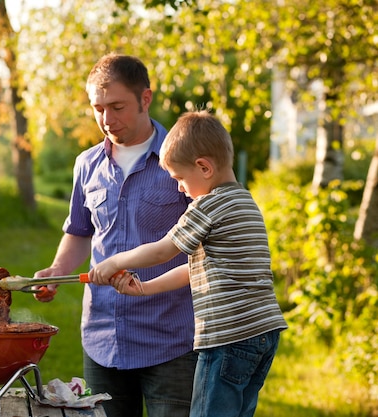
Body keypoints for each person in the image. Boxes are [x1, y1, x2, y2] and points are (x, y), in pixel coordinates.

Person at [89, 110, 288, 417]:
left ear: (204, 167)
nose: (180, 188)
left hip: (227, 337)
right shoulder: (244, 201)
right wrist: (144, 288)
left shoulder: (207, 205)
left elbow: (162, 251)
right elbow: (194, 268)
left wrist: (113, 261)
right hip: (262, 335)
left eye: (180, 178)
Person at [33, 53, 197, 417]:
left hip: (171, 341)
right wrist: (56, 270)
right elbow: (79, 232)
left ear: (145, 99)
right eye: (98, 108)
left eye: (117, 106)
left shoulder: (184, 160)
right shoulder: (86, 164)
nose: (107, 119)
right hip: (103, 340)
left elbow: (204, 246)